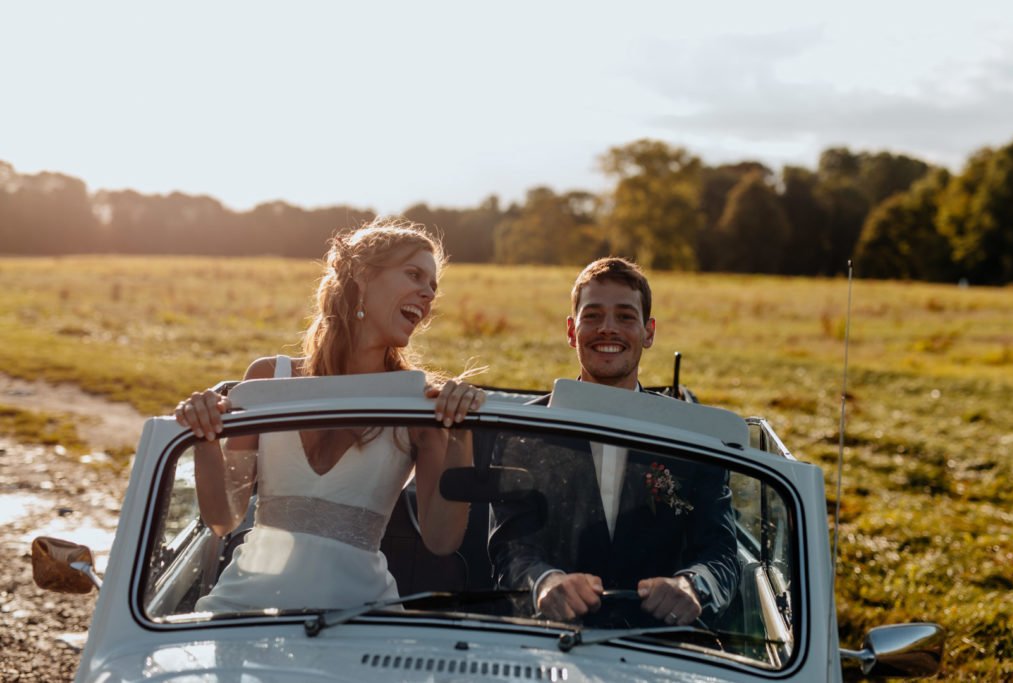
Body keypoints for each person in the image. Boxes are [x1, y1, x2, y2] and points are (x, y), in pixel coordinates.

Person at [175, 217, 485, 613]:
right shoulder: (269, 379)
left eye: (432, 286)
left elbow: (442, 541)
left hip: (361, 618)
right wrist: (203, 436)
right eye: (414, 275)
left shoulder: (417, 403)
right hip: (244, 608)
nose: (428, 294)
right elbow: (223, 520)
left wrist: (462, 431)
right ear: (362, 275)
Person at [488, 257, 739, 627]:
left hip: (661, 644)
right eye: (592, 316)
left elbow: (721, 552)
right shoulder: (526, 433)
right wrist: (544, 582)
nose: (608, 329)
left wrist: (691, 586)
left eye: (625, 316)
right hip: (551, 640)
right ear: (572, 331)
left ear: (648, 332)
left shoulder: (691, 435)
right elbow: (511, 549)